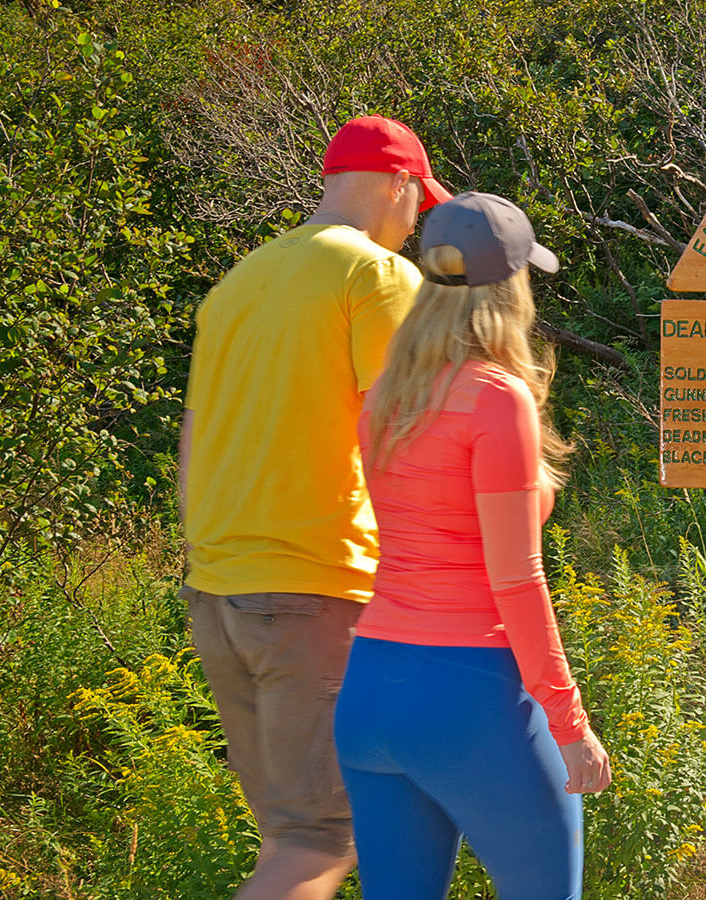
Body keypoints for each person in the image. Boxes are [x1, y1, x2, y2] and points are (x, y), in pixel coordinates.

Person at [179, 115, 451, 900]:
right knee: (318, 845)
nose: (418, 220)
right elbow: (400, 440)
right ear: (397, 183)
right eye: (419, 201)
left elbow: (194, 445)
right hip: (312, 591)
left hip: (222, 597)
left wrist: (208, 563)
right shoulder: (376, 277)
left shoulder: (238, 284)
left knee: (293, 840)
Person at [334, 192, 611, 900]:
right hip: (469, 695)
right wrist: (568, 722)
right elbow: (517, 580)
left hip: (371, 692)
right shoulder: (496, 398)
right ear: (509, 286)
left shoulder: (385, 399)